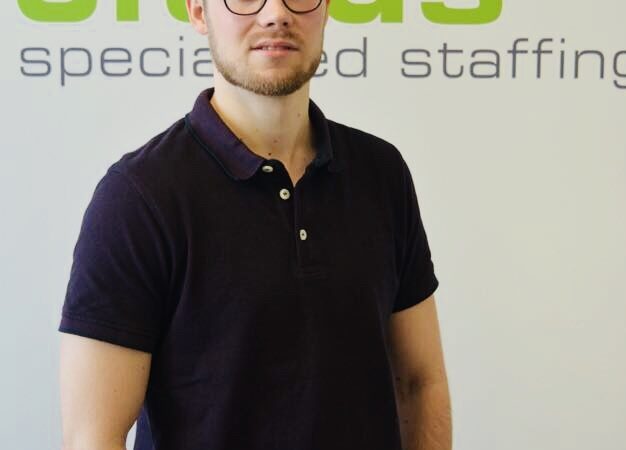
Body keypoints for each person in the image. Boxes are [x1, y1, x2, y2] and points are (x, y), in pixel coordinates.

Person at [58, 0, 451, 449]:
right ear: (199, 12)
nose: (276, 13)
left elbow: (420, 383)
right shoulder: (139, 197)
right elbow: (92, 437)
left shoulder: (381, 173)